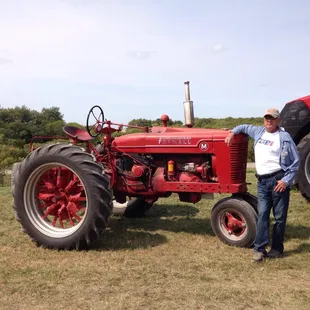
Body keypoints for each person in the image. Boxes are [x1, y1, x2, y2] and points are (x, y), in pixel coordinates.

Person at [225, 108, 300, 262]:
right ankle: (259, 249)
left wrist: (286, 180)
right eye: (266, 118)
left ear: (278, 120)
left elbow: (295, 161)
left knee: (279, 217)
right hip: (262, 182)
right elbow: (244, 127)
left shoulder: (284, 137)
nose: (269, 121)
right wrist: (233, 132)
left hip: (278, 181)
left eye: (272, 118)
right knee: (263, 215)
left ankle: (277, 249)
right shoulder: (258, 132)